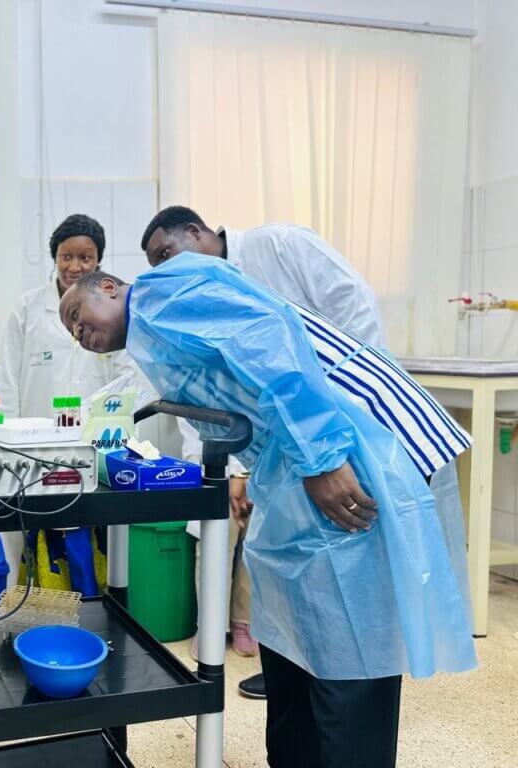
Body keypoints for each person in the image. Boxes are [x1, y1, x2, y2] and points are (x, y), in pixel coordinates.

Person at [58, 260, 475, 768]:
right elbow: (237, 387)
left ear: (109, 285)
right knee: (295, 636)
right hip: (293, 463)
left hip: (340, 450)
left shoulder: (161, 296)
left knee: (349, 645)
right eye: (72, 331)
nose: (80, 332)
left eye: (78, 314)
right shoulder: (153, 334)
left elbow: (268, 342)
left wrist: (322, 457)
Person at [141, 205, 387, 696]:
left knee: (341, 563)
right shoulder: (206, 295)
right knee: (289, 566)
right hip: (281, 454)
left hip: (340, 431)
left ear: (196, 231)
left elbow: (352, 305)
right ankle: (291, 672)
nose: (167, 272)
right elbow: (223, 390)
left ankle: (337, 682)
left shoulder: (278, 245)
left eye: (167, 254)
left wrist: (346, 405)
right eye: (156, 267)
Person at [0, 214, 138, 594]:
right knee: (37, 538)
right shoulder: (27, 310)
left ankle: (96, 609)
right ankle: (38, 610)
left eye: (86, 258)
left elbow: (127, 378)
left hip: (94, 445)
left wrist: (120, 435)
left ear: (99, 263)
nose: (75, 266)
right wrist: (6, 437)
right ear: (54, 258)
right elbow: (7, 379)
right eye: (66, 256)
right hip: (35, 446)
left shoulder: (113, 312)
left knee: (91, 539)